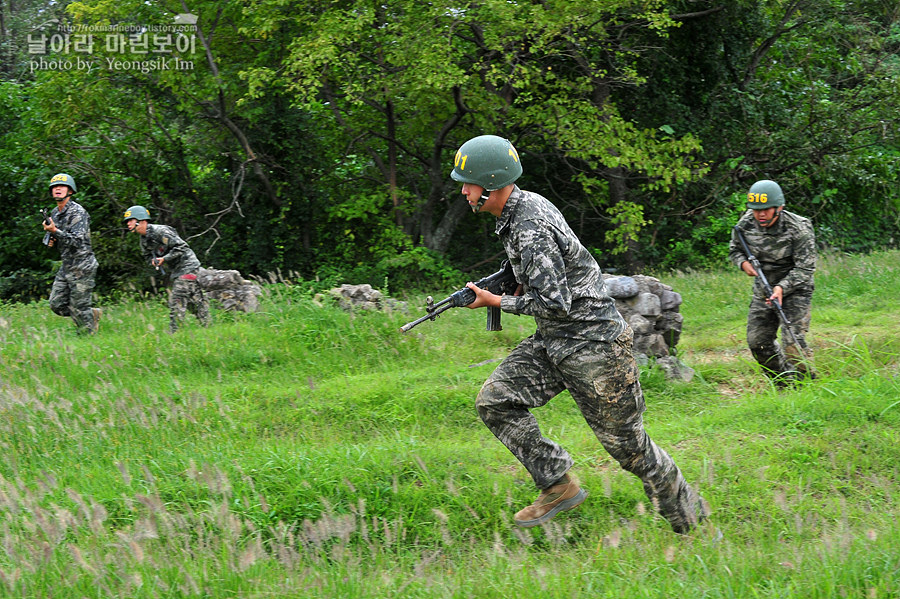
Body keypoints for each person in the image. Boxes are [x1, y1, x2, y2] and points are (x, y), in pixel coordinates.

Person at [451, 135, 709, 533]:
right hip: (554, 340)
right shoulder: (519, 209)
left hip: (594, 345)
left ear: (491, 183)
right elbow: (552, 281)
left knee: (631, 450)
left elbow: (555, 302)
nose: (464, 191)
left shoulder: (529, 225)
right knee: (495, 400)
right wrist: (513, 284)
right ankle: (557, 485)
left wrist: (495, 302)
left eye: (468, 183)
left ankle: (694, 523)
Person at [728, 180, 816, 385]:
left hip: (795, 289)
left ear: (779, 207)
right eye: (756, 210)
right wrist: (742, 264)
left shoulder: (799, 228)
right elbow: (735, 249)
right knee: (758, 342)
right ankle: (783, 383)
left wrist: (782, 287)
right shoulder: (745, 224)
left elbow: (806, 268)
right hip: (763, 289)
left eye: (766, 210)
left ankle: (806, 386)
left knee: (793, 343)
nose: (761, 215)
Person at [123, 205, 211, 333]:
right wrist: (153, 262)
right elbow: (148, 256)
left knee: (177, 300)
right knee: (194, 302)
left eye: (130, 220)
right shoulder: (143, 240)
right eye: (127, 221)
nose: (128, 224)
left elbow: (182, 247)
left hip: (188, 266)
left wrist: (165, 258)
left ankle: (175, 334)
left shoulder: (161, 231)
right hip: (177, 271)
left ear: (141, 220)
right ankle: (208, 327)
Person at [41, 173, 101, 334]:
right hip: (67, 265)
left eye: (62, 186)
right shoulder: (54, 212)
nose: (57, 189)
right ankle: (90, 314)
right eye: (54, 187)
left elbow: (77, 241)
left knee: (79, 307)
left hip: (83, 265)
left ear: (71, 191)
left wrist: (55, 230)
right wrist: (50, 237)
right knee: (56, 304)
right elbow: (55, 236)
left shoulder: (78, 212)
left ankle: (87, 337)